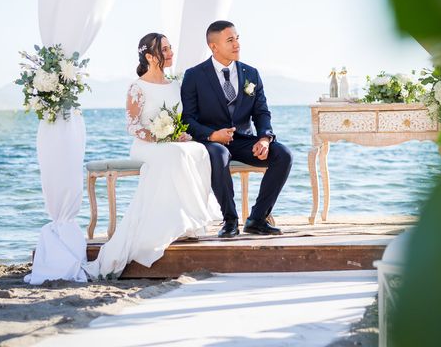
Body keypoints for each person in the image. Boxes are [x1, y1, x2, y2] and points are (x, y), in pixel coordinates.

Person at [83, 33, 221, 278]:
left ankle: (188, 220)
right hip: (146, 144)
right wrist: (160, 136)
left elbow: (183, 121)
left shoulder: (175, 85)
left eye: (170, 48)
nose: (170, 53)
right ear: (149, 56)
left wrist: (179, 134)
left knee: (199, 150)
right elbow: (132, 125)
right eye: (164, 50)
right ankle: (170, 224)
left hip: (170, 142)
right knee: (175, 155)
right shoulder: (138, 87)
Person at [181, 20, 292, 238]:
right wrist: (212, 135)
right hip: (211, 141)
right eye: (230, 40)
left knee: (284, 155)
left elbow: (261, 112)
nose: (237, 44)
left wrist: (264, 139)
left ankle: (257, 219)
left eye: (237, 38)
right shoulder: (194, 75)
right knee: (220, 153)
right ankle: (230, 220)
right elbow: (187, 119)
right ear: (214, 46)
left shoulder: (251, 73)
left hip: (244, 140)